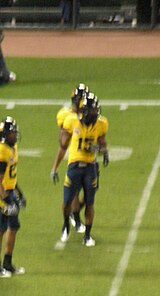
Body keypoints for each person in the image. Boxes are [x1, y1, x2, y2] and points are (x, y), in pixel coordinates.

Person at [51, 92, 109, 247]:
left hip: (90, 166)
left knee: (90, 202)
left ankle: (87, 235)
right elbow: (63, 144)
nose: (96, 112)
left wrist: (96, 148)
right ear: (84, 111)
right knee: (67, 200)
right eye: (93, 110)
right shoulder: (71, 121)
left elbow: (103, 147)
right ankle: (65, 224)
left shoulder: (101, 123)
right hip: (74, 165)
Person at [0, 116, 26, 278]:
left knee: (14, 226)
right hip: (0, 193)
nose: (15, 135)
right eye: (12, 132)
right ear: (4, 135)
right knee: (1, 228)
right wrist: (6, 201)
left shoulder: (12, 147)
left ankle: (7, 263)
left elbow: (10, 176)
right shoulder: (0, 150)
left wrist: (18, 193)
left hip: (9, 191)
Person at [55, 83, 89, 234]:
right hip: (74, 158)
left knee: (90, 193)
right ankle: (75, 217)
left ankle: (73, 214)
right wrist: (55, 167)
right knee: (75, 191)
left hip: (89, 159)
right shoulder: (66, 116)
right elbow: (62, 144)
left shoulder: (88, 114)